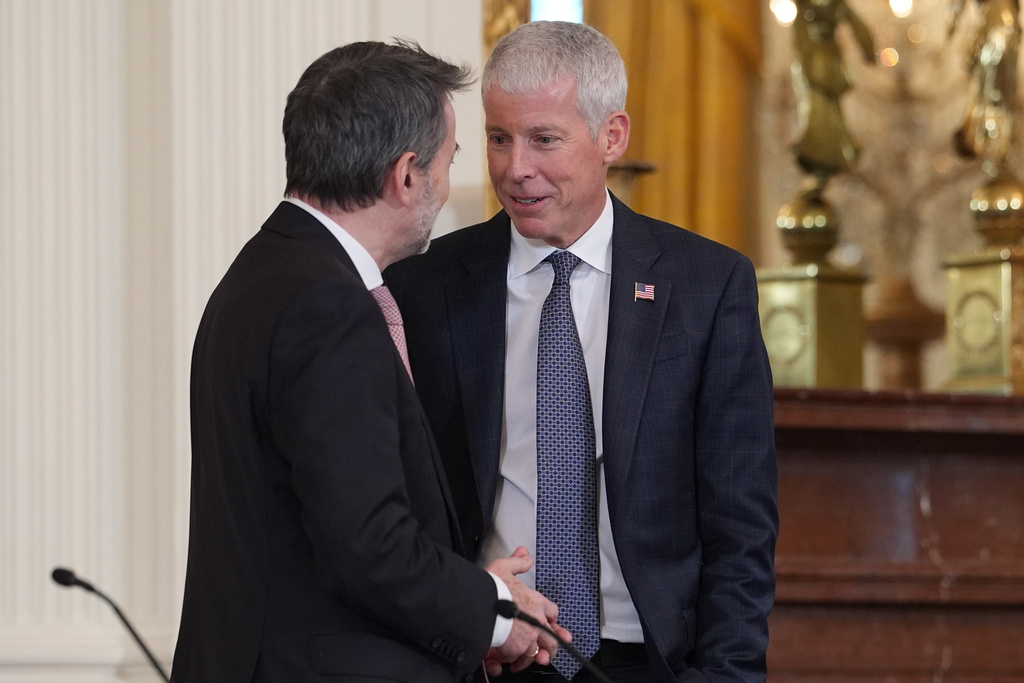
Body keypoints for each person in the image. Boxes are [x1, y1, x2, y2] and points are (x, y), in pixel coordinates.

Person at [386, 21, 779, 682]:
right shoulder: (425, 287)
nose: (516, 168)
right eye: (499, 138)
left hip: (650, 661)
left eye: (544, 139)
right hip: (489, 660)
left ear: (612, 136)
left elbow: (741, 525)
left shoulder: (707, 286)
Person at [171, 40, 569, 683]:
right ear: (406, 175)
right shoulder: (327, 305)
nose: (447, 186)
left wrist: (471, 605)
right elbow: (367, 544)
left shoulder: (268, 271)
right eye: (449, 161)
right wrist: (496, 614)